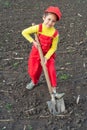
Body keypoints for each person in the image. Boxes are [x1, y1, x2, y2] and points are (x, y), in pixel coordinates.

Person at [22, 6, 65, 99]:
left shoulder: (55, 34)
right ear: (44, 18)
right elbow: (24, 32)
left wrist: (46, 57)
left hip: (48, 54)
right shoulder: (38, 28)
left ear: (55, 22)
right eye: (49, 19)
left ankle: (53, 90)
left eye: (53, 21)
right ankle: (34, 81)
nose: (50, 23)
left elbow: (53, 48)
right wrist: (33, 41)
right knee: (34, 70)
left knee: (51, 70)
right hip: (36, 52)